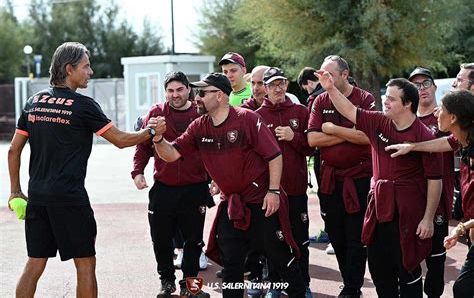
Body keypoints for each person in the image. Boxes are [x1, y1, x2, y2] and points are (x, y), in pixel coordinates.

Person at [7, 42, 160, 298]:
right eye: (86, 66)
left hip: (38, 196)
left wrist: (15, 191)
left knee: (35, 262)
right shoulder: (83, 105)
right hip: (69, 198)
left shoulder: (33, 102)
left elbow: (13, 150)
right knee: (85, 264)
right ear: (69, 69)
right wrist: (152, 131)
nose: (90, 71)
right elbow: (120, 140)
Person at [150, 72, 306, 297]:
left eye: (203, 93)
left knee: (281, 258)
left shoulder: (247, 119)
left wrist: (273, 191)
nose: (197, 98)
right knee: (231, 265)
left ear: (220, 96)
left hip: (262, 202)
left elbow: (274, 156)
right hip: (232, 205)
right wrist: (157, 139)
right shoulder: (199, 126)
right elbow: (171, 154)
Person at [317, 70, 443, 297]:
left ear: (408, 104)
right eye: (386, 96)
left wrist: (427, 219)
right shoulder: (378, 122)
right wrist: (330, 89)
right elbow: (349, 110)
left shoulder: (424, 135)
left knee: (408, 270)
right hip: (378, 209)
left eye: (392, 98)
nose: (385, 101)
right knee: (378, 269)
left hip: (408, 213)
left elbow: (435, 180)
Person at [386, 89, 474, 298]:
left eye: (441, 110)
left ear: (453, 117)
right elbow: (442, 144)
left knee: (462, 289)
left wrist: (461, 228)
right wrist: (412, 147)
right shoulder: (462, 139)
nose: (436, 113)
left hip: (469, 225)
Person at [131, 71, 210, 298]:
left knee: (194, 241)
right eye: (170, 91)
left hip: (195, 187)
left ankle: (191, 286)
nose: (175, 95)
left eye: (179, 90)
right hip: (163, 186)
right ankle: (167, 283)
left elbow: (212, 148)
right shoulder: (156, 113)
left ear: (188, 90)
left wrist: (215, 180)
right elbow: (143, 145)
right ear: (165, 92)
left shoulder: (199, 112)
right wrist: (137, 172)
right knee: (161, 238)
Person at [306, 55, 374, 298]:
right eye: (322, 75)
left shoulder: (364, 98)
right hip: (330, 180)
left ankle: (353, 288)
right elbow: (312, 139)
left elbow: (367, 136)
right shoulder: (319, 100)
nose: (325, 80)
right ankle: (349, 282)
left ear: (345, 74)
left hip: (359, 179)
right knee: (336, 235)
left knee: (356, 236)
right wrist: (349, 133)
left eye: (330, 75)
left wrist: (332, 129)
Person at [256, 67, 314, 297]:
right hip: (271, 192)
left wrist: (294, 137)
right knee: (272, 241)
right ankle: (275, 285)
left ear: (287, 85)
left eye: (281, 83)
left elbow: (311, 147)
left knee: (301, 239)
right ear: (265, 89)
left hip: (297, 188)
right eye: (272, 85)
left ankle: (304, 283)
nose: (277, 88)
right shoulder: (258, 116)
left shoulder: (300, 111)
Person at [409, 67, 455, 298]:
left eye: (426, 83)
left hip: (438, 199)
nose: (422, 89)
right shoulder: (404, 120)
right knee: (408, 256)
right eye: (416, 85)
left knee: (436, 258)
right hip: (409, 199)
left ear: (435, 87)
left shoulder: (445, 119)